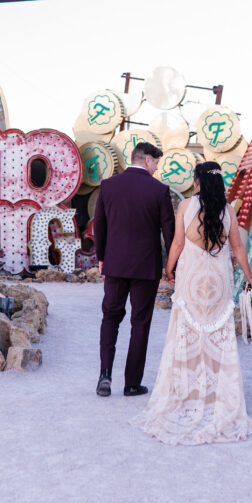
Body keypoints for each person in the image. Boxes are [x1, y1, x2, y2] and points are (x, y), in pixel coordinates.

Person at [130, 160, 252, 445]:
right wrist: (250, 278)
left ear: (198, 181)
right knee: (218, 337)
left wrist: (168, 269)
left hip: (191, 282)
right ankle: (216, 396)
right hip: (218, 284)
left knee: (186, 337)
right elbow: (237, 248)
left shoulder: (186, 207)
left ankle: (186, 394)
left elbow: (176, 244)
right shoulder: (227, 210)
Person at [93, 140, 175, 397]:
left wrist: (102, 257)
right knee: (140, 323)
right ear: (148, 160)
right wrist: (172, 266)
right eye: (156, 164)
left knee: (110, 318)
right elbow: (169, 233)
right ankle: (131, 383)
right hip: (146, 267)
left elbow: (100, 226)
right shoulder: (160, 190)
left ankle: (105, 376)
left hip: (115, 264)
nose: (156, 170)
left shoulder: (108, 186)